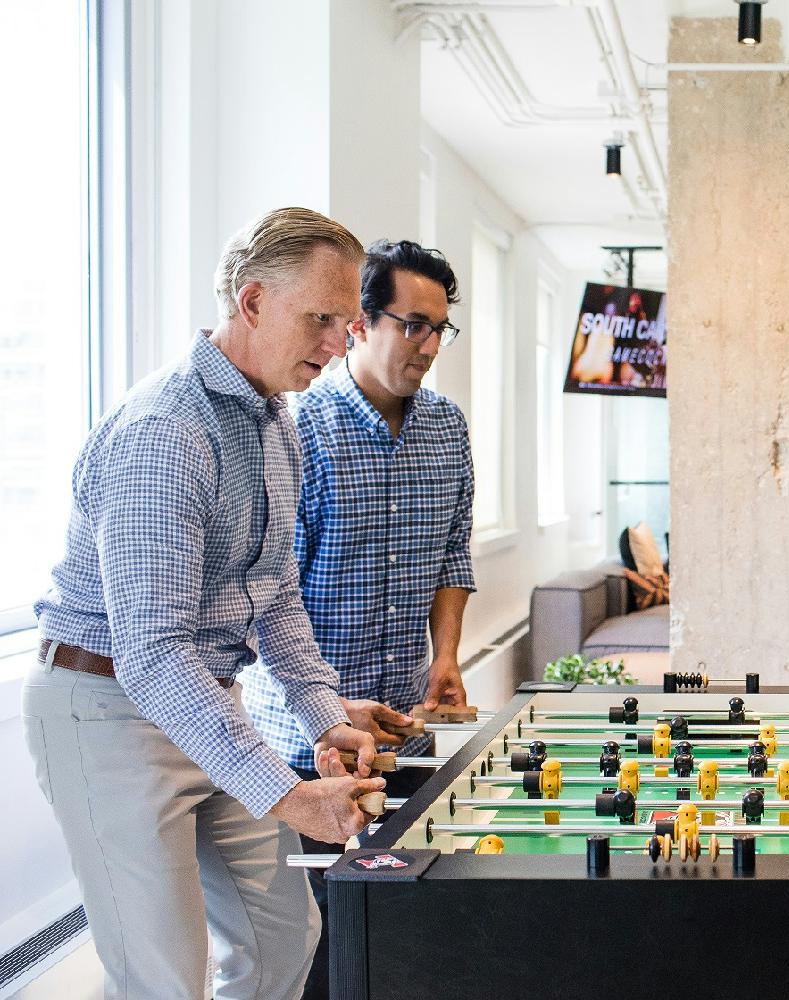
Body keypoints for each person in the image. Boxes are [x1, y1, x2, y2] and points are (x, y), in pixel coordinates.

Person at [25, 207, 411, 999]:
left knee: (285, 938)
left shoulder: (277, 421)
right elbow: (153, 653)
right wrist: (288, 792)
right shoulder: (166, 432)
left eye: (348, 321)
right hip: (105, 711)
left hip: (206, 705)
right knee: (164, 977)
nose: (340, 343)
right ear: (253, 301)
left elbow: (274, 592)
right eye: (322, 318)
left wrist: (322, 712)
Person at [243, 238, 476, 999]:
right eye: (413, 324)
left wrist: (445, 658)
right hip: (305, 739)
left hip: (402, 728)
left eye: (442, 328)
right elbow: (268, 600)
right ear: (360, 324)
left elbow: (452, 557)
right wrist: (323, 709)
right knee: (309, 943)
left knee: (399, 936)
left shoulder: (449, 430)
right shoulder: (298, 428)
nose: (430, 345)